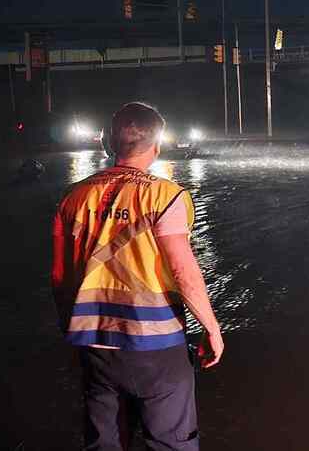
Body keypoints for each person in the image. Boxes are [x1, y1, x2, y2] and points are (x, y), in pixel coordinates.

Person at [51, 102, 223, 450]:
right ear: (157, 145)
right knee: (171, 441)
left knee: (104, 441)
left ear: (109, 143)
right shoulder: (165, 195)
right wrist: (211, 327)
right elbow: (182, 270)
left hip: (94, 343)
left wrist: (74, 326)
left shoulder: (72, 197)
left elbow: (59, 276)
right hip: (156, 345)